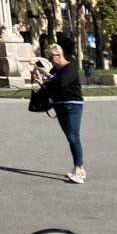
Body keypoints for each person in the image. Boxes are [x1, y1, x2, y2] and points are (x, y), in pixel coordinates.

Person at [31, 43, 85, 183]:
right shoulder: (55, 70)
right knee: (70, 137)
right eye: (48, 58)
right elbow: (52, 87)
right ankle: (80, 167)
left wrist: (47, 74)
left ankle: (78, 169)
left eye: (51, 57)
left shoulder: (70, 68)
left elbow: (61, 83)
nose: (50, 61)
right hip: (59, 106)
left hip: (73, 106)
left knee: (74, 137)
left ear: (59, 55)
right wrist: (41, 81)